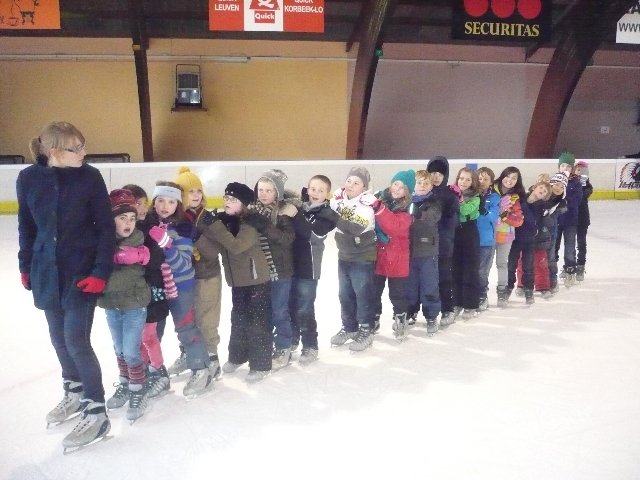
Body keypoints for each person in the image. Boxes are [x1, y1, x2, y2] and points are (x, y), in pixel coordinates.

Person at [17, 121, 113, 450]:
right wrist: (25, 265)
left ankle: (96, 411)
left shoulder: (90, 177)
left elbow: (106, 229)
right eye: (77, 148)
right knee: (58, 339)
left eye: (83, 144)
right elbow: (27, 226)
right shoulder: (28, 179)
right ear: (55, 152)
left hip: (81, 273)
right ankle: (74, 391)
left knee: (76, 340)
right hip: (46, 271)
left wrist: (100, 271)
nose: (84, 152)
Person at [141, 181, 213, 397]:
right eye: (161, 200)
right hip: (156, 287)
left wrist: (167, 244)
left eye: (171, 202)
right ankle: (156, 375)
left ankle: (201, 369)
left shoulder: (183, 229)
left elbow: (182, 264)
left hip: (181, 287)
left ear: (178, 205)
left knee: (186, 328)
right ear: (154, 202)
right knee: (153, 333)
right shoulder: (146, 226)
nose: (165, 206)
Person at [199, 182, 273, 383]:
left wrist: (214, 225)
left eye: (233, 199)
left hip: (256, 281)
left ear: (244, 204)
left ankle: (261, 365)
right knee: (239, 320)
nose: (227, 202)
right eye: (226, 198)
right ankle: (238, 356)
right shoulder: (227, 221)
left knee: (257, 323)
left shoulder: (250, 224)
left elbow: (236, 246)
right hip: (238, 282)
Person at [98, 189, 152, 422]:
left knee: (130, 350)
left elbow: (127, 277)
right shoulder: (103, 244)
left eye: (132, 218)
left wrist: (100, 282)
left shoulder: (137, 241)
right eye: (122, 218)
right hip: (112, 306)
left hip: (134, 306)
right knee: (119, 349)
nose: (128, 223)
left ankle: (139, 389)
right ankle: (125, 383)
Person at [171, 167, 223, 380]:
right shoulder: (176, 219)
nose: (195, 195)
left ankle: (212, 358)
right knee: (186, 320)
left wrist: (196, 237)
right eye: (190, 191)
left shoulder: (207, 218)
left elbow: (213, 251)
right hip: (183, 279)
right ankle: (189, 353)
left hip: (207, 276)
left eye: (198, 190)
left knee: (207, 320)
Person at [246, 169, 297, 370]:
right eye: (261, 190)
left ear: (277, 193)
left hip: (280, 271)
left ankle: (284, 347)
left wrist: (265, 226)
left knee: (279, 311)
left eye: (269, 190)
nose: (264, 194)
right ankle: (269, 345)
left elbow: (286, 239)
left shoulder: (284, 213)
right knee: (265, 312)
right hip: (259, 272)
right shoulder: (251, 211)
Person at [124, 184, 171, 398]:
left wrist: (142, 256)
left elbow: (159, 257)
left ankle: (158, 372)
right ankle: (143, 371)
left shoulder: (152, 226)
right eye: (137, 204)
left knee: (151, 335)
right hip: (133, 293)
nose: (142, 208)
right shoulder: (124, 229)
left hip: (154, 290)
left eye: (144, 203)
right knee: (137, 336)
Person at [329, 167, 377, 352]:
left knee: (363, 294)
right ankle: (349, 327)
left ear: (364, 188)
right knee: (345, 294)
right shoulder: (339, 200)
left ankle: (366, 330)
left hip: (362, 256)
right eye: (349, 181)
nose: (350, 185)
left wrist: (335, 212)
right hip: (344, 254)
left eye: (356, 183)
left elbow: (355, 227)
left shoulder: (367, 205)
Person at [290, 175, 337, 364]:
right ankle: (292, 339)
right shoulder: (301, 208)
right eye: (313, 189)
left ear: (327, 194)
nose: (316, 193)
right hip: (290, 265)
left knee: (304, 309)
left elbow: (312, 233)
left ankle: (310, 345)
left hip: (309, 268)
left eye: (321, 190)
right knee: (290, 305)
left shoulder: (327, 215)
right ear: (307, 190)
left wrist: (295, 213)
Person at [371, 170, 415, 338]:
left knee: (397, 294)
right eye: (396, 184)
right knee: (374, 291)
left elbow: (393, 226)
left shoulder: (408, 208)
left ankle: (400, 318)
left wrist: (379, 209)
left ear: (407, 192)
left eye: (402, 187)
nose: (397, 188)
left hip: (398, 258)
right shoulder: (380, 199)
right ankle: (374, 318)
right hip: (379, 255)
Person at [407, 170, 442, 335]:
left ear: (431, 186)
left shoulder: (434, 202)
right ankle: (410, 311)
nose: (422, 186)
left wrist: (418, 213)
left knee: (429, 285)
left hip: (427, 251)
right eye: (419, 182)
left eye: (426, 183)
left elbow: (432, 217)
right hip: (408, 252)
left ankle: (431, 315)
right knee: (410, 285)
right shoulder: (407, 201)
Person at [426, 156, 459, 327]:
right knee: (425, 279)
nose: (436, 177)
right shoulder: (423, 193)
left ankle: (448, 309)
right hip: (423, 246)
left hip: (443, 244)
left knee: (444, 277)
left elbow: (453, 222)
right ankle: (422, 311)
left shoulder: (450, 196)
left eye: (440, 174)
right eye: (433, 173)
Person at [508, 181, 551, 305]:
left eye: (544, 192)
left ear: (545, 196)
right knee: (511, 266)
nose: (542, 191)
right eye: (541, 188)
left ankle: (528, 291)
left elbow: (536, 221)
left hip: (530, 241)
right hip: (515, 239)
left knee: (528, 267)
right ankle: (507, 289)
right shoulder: (521, 199)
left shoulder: (542, 207)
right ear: (534, 188)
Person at [450, 167, 481, 318]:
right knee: (455, 269)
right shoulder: (451, 193)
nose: (463, 181)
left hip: (469, 232)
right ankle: (457, 302)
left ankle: (470, 304)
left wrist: (459, 199)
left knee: (470, 269)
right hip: (454, 232)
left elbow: (464, 210)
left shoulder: (476, 197)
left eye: (468, 179)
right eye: (461, 178)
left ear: (473, 182)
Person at [492, 167, 525, 307]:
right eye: (508, 176)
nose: (510, 180)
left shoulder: (515, 197)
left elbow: (519, 220)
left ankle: (502, 292)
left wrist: (505, 216)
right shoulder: (490, 190)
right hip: (487, 234)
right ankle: (481, 293)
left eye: (514, 178)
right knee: (484, 265)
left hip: (505, 235)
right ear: (502, 176)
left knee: (501, 264)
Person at [554, 152, 583, 287]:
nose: (565, 168)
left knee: (570, 246)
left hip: (570, 220)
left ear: (572, 168)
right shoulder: (554, 181)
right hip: (555, 220)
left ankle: (570, 270)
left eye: (568, 166)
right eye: (563, 165)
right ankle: (551, 272)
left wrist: (564, 201)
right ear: (559, 167)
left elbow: (577, 200)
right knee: (553, 247)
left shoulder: (576, 183)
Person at [476, 167, 500, 311]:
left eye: (486, 179)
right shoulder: (471, 194)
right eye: (480, 178)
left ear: (491, 182)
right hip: (470, 238)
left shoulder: (494, 197)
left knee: (481, 271)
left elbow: (494, 216)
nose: (482, 181)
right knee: (470, 270)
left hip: (485, 240)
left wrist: (484, 210)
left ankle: (482, 296)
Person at [574, 161, 593, 281]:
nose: (580, 173)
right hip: (570, 219)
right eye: (578, 170)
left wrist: (582, 184)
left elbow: (581, 197)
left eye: (583, 171)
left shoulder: (588, 187)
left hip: (582, 219)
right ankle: (569, 266)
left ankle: (580, 266)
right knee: (569, 244)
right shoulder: (568, 183)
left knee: (581, 243)